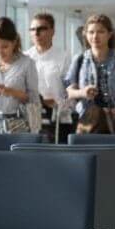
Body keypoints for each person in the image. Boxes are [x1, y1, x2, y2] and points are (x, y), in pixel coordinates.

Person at [0, 17, 40, 133]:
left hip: (15, 123)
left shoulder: (27, 63)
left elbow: (33, 99)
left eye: (5, 47)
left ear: (14, 42)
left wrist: (11, 92)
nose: (0, 51)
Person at [64, 12, 115, 131]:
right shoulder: (79, 60)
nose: (95, 36)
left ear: (109, 34)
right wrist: (83, 92)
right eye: (91, 32)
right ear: (85, 34)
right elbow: (69, 92)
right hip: (86, 122)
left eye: (101, 32)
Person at [25, 11, 72, 143]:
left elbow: (70, 90)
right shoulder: (25, 57)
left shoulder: (64, 57)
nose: (36, 33)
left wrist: (58, 104)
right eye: (33, 29)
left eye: (41, 29)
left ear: (52, 31)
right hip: (31, 119)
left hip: (58, 119)